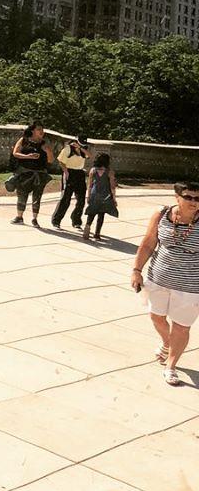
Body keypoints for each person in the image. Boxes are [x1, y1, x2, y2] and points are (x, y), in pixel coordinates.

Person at [131, 181, 199, 386]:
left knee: (181, 327)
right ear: (177, 197)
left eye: (198, 198)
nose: (194, 202)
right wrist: (136, 270)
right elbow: (148, 243)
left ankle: (171, 365)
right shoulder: (161, 215)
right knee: (157, 317)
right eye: (189, 197)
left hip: (191, 286)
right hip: (158, 279)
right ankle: (167, 343)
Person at [10, 122, 53, 227]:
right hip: (25, 172)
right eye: (39, 129)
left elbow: (51, 160)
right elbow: (15, 153)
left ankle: (35, 219)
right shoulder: (24, 140)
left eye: (42, 129)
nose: (41, 132)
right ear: (33, 130)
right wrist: (28, 156)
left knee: (37, 196)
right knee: (22, 194)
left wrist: (48, 151)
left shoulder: (44, 144)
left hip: (40, 174)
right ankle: (19, 217)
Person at [51, 133, 91, 230]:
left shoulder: (83, 150)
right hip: (69, 172)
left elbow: (89, 156)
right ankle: (56, 220)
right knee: (65, 199)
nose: (82, 145)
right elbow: (60, 161)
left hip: (80, 174)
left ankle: (76, 221)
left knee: (81, 200)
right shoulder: (68, 149)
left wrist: (80, 148)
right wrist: (66, 172)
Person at [82, 152, 118, 242]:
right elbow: (112, 187)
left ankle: (87, 225)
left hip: (94, 194)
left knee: (92, 212)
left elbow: (89, 185)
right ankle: (97, 234)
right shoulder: (109, 172)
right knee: (101, 214)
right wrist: (114, 198)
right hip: (105, 195)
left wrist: (88, 196)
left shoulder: (93, 170)